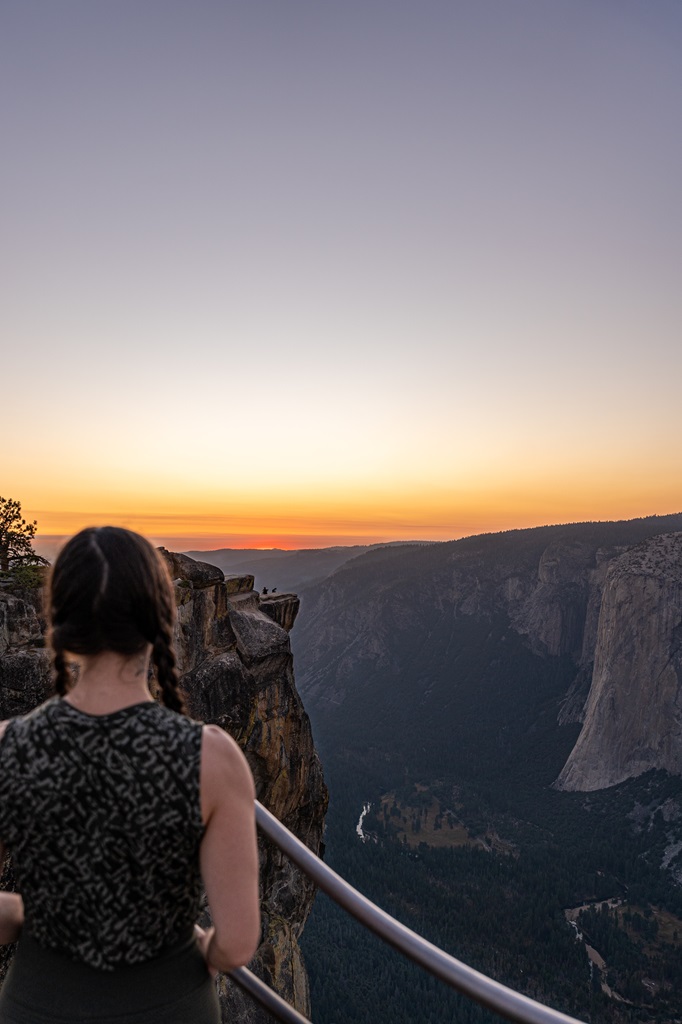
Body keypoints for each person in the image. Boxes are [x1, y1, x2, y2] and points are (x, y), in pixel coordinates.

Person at [0, 526, 260, 1023]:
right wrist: (201, 945)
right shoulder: (212, 758)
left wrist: (32, 911)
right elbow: (236, 945)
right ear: (160, 621)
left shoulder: (8, 748)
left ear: (59, 621)